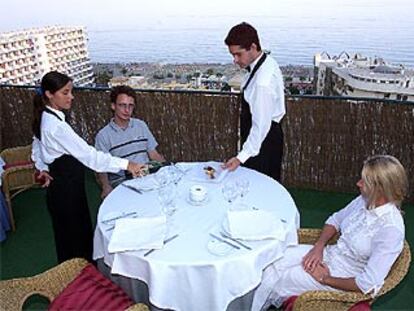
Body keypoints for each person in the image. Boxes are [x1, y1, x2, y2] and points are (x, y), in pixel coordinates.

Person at [251, 155, 408, 311]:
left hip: (342, 278)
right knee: (273, 258)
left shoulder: (391, 230)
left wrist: (324, 278)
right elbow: (336, 219)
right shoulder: (364, 200)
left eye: (364, 182)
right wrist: (318, 247)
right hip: (328, 254)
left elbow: (367, 283)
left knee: (280, 279)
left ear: (380, 189)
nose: (358, 184)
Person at [31, 71, 144, 263]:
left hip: (63, 187)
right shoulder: (57, 126)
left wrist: (43, 167)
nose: (71, 97)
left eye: (71, 91)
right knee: (76, 240)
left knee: (69, 238)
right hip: (67, 190)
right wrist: (127, 164)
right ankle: (83, 283)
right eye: (65, 92)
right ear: (50, 94)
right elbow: (92, 158)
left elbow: (37, 143)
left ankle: (76, 278)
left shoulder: (46, 116)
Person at [223, 22, 285, 181]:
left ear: (252, 46)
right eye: (232, 55)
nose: (235, 60)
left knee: (259, 185)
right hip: (264, 138)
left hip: (263, 143)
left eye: (238, 54)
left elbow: (261, 126)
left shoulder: (262, 83)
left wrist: (240, 158)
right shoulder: (267, 61)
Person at [95, 85, 164, 198]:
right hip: (122, 183)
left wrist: (167, 168)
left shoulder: (141, 125)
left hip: (146, 177)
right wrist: (106, 187)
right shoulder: (103, 136)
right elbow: (101, 166)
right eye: (122, 105)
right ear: (113, 106)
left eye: (130, 106)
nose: (127, 110)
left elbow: (154, 154)